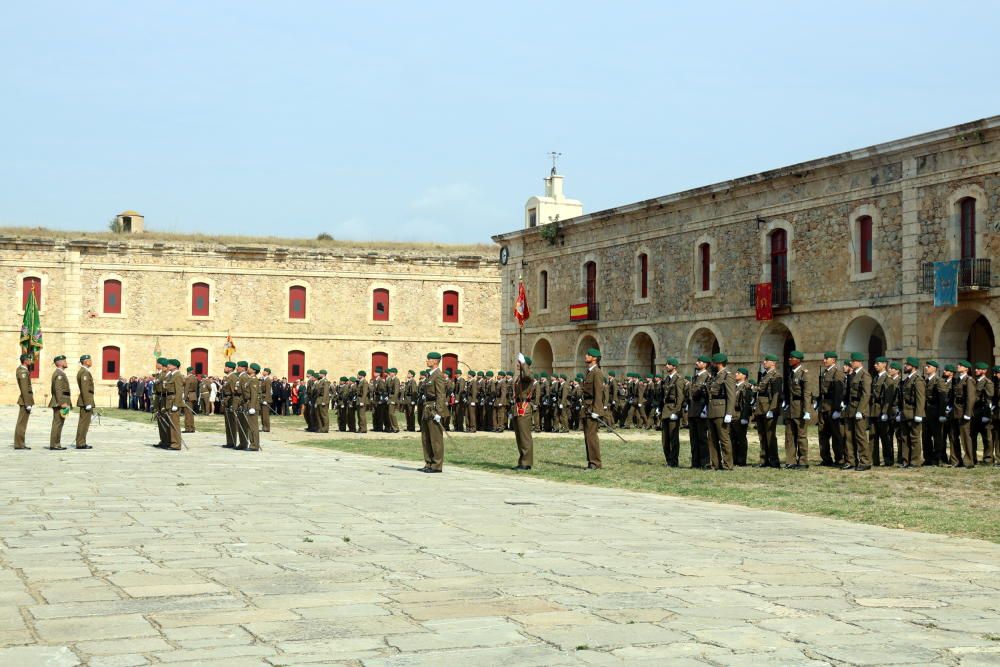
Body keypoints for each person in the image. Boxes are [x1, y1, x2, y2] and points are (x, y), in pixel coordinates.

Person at [419, 352, 447, 473]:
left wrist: (439, 413)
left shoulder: (438, 375)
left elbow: (441, 395)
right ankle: (428, 462)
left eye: (429, 359)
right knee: (426, 437)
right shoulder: (429, 375)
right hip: (427, 408)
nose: (427, 361)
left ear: (435, 361)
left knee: (435, 438)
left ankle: (437, 465)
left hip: (434, 409)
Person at [844, 352, 872, 471]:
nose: (851, 363)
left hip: (860, 408)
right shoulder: (853, 374)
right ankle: (851, 461)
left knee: (860, 436)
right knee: (849, 436)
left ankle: (865, 461)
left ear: (859, 362)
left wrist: (860, 410)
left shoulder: (864, 375)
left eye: (853, 361)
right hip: (851, 407)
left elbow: (866, 395)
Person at [753, 353, 782, 468]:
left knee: (770, 436)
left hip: (768, 408)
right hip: (761, 408)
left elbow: (776, 394)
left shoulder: (776, 375)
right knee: (762, 435)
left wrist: (772, 409)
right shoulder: (765, 375)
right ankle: (764, 460)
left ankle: (774, 461)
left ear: (773, 363)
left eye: (766, 360)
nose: (764, 362)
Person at [784, 350, 811, 468]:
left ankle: (803, 461)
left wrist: (807, 410)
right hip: (791, 408)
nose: (790, 359)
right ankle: (791, 460)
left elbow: (806, 393)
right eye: (789, 357)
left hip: (799, 407)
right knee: (789, 436)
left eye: (792, 358)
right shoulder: (791, 373)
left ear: (798, 360)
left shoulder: (803, 373)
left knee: (801, 436)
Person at [898, 357, 925, 468]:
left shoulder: (918, 380)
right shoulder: (907, 380)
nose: (905, 366)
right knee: (904, 438)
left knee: (914, 438)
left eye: (907, 365)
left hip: (914, 413)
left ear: (913, 367)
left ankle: (915, 461)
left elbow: (920, 398)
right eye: (905, 364)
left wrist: (919, 414)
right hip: (905, 412)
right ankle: (906, 460)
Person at [581, 347, 605, 470]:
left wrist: (597, 411)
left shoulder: (597, 372)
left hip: (592, 410)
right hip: (586, 408)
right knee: (587, 437)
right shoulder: (589, 372)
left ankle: (595, 463)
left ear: (594, 358)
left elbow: (599, 393)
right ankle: (591, 461)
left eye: (588, 355)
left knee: (591, 437)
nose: (586, 356)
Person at [659, 357, 685, 466]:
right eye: (666, 364)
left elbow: (680, 397)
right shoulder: (666, 379)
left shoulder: (678, 379)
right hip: (665, 409)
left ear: (674, 367)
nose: (666, 366)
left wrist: (676, 412)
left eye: (669, 364)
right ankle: (668, 460)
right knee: (665, 439)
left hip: (673, 409)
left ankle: (674, 461)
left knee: (673, 438)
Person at [922, 360, 948, 467]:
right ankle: (928, 458)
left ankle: (938, 458)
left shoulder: (939, 381)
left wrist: (942, 414)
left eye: (928, 366)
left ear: (934, 369)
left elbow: (942, 398)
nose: (926, 368)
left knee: (937, 437)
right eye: (926, 366)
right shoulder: (925, 380)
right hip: (926, 412)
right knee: (926, 436)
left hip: (935, 412)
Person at [513, 353, 536, 470]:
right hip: (518, 406)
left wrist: (523, 364)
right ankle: (522, 460)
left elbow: (527, 375)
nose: (518, 364)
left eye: (520, 362)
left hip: (525, 406)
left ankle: (527, 462)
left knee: (525, 436)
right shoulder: (519, 377)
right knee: (519, 436)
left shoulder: (528, 374)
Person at [688, 355, 711, 469]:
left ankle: (705, 462)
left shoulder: (708, 377)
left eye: (699, 361)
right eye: (697, 361)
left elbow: (708, 395)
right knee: (693, 438)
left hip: (701, 410)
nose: (697, 363)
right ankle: (695, 462)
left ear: (705, 364)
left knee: (702, 438)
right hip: (693, 410)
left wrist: (706, 409)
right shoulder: (695, 377)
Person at [48, 355, 72, 450]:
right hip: (61, 403)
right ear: (59, 363)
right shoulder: (59, 374)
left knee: (60, 423)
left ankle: (57, 443)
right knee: (57, 423)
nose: (66, 362)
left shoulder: (61, 373)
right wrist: (62, 403)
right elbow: (58, 389)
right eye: (64, 361)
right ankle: (54, 444)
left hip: (64, 402)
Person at [731, 367, 752, 466]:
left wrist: (744, 417)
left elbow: (747, 403)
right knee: (732, 438)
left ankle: (741, 460)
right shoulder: (734, 387)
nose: (736, 374)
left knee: (741, 439)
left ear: (744, 375)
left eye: (738, 373)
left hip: (740, 414)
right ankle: (734, 459)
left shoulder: (746, 386)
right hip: (732, 415)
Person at [75, 354, 95, 449]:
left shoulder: (84, 371)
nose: (91, 361)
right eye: (90, 360)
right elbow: (85, 388)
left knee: (84, 423)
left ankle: (81, 441)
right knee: (84, 423)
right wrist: (88, 403)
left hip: (85, 400)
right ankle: (80, 443)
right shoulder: (84, 372)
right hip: (85, 401)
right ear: (86, 361)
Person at [15, 353, 35, 450]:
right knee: (21, 423)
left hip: (25, 400)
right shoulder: (22, 372)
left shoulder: (24, 370)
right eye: (30, 359)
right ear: (25, 361)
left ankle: (20, 443)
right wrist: (27, 403)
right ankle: (19, 444)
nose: (31, 361)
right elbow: (24, 389)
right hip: (24, 401)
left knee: (23, 423)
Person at [244, 363, 261, 450]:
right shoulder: (250, 379)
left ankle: (255, 444)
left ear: (254, 370)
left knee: (253, 426)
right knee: (250, 426)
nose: (248, 369)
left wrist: (252, 407)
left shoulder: (254, 380)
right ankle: (252, 444)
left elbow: (254, 394)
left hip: (252, 405)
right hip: (249, 403)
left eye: (250, 368)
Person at [221, 361, 238, 447]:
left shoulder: (232, 377)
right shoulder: (228, 377)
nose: (225, 368)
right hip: (226, 400)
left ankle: (233, 442)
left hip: (230, 400)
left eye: (226, 367)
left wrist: (232, 404)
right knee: (228, 423)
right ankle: (229, 442)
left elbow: (233, 392)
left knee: (232, 422)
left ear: (230, 368)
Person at [183, 366, 198, 433]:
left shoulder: (188, 378)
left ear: (187, 371)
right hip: (193, 395)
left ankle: (188, 428)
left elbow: (186, 388)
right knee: (190, 413)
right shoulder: (194, 378)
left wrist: (184, 397)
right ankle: (192, 427)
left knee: (187, 413)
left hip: (188, 395)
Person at [260, 367, 273, 432]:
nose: (263, 372)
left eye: (264, 371)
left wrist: (266, 400)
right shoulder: (263, 380)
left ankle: (267, 427)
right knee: (262, 414)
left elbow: (268, 391)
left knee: (265, 414)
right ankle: (264, 426)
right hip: (262, 398)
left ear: (267, 372)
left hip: (266, 399)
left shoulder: (267, 380)